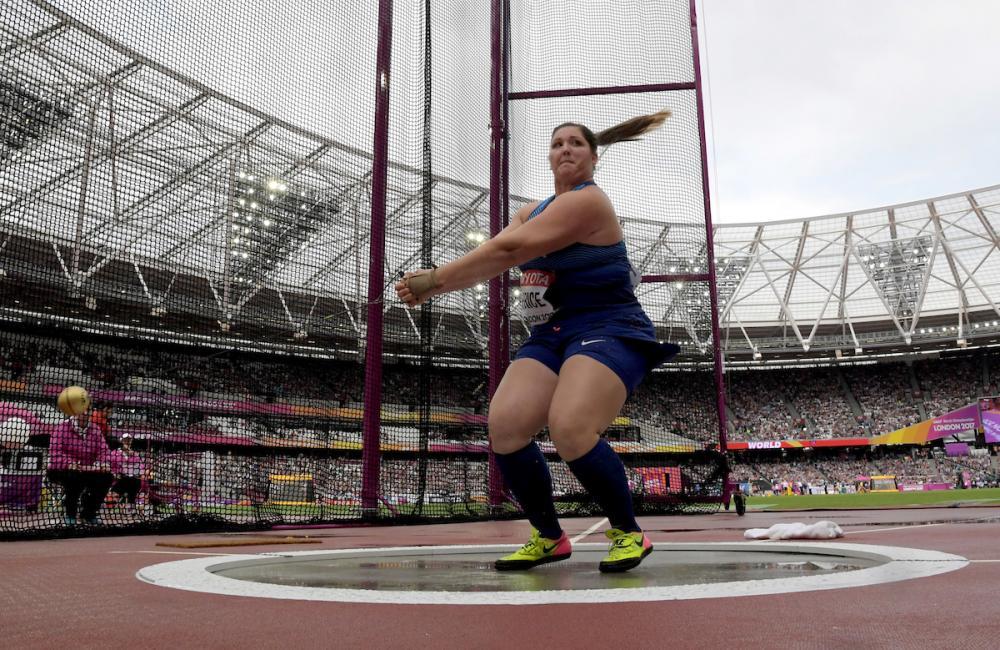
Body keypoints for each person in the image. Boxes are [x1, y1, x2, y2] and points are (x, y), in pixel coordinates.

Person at [396, 110, 679, 573]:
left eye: (576, 143)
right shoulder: (531, 212)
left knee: (570, 427)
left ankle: (628, 532)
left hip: (608, 325)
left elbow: (509, 250)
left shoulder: (590, 202)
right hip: (553, 333)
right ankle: (549, 537)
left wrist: (434, 280)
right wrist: (437, 284)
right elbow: (496, 257)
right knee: (505, 426)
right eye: (557, 143)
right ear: (549, 157)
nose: (565, 149)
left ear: (594, 157)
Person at [46, 397, 114, 526]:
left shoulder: (95, 430)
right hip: (60, 470)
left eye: (88, 409)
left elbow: (104, 451)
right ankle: (70, 514)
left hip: (86, 470)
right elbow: (55, 453)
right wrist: (69, 463)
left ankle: (88, 514)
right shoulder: (61, 428)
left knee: (107, 477)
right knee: (74, 478)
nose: (85, 413)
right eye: (82, 409)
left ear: (91, 411)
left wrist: (104, 463)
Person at [109, 432, 146, 515]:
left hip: (132, 479)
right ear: (122, 441)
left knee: (135, 484)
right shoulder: (115, 453)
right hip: (119, 479)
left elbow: (140, 467)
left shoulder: (135, 455)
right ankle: (120, 504)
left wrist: (140, 474)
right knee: (115, 492)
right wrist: (115, 474)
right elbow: (111, 466)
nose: (127, 442)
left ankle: (130, 507)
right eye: (125, 440)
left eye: (129, 440)